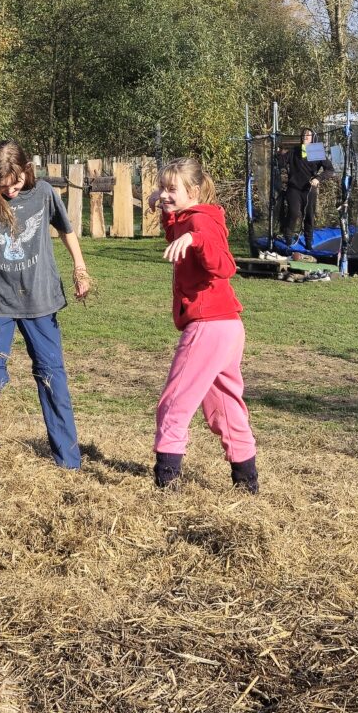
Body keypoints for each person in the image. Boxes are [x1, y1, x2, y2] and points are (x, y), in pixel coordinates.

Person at [0, 140, 90, 468]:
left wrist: (80, 269)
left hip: (40, 299)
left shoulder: (44, 193)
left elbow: (66, 231)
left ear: (27, 171)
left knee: (51, 376)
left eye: (15, 183)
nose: (9, 191)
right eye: (2, 186)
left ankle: (68, 460)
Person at [146, 158, 258, 493]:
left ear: (193, 192)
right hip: (227, 325)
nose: (164, 194)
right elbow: (177, 234)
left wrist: (196, 240)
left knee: (175, 402)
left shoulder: (201, 221)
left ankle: (166, 480)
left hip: (208, 326)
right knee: (224, 406)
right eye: (162, 187)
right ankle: (246, 482)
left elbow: (224, 266)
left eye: (172, 189)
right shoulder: (189, 217)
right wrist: (167, 212)